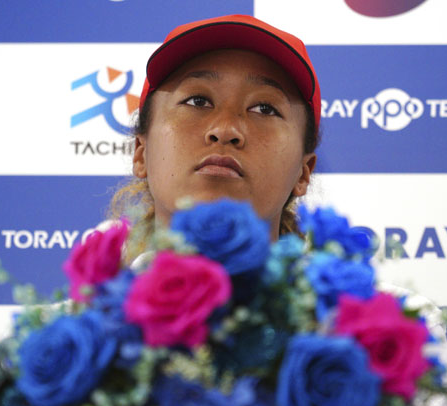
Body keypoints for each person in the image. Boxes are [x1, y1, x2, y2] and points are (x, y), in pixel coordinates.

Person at [108, 14, 321, 262]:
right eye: (197, 101)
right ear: (141, 153)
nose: (225, 129)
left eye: (264, 108)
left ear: (303, 172)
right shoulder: (92, 303)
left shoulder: (344, 303)